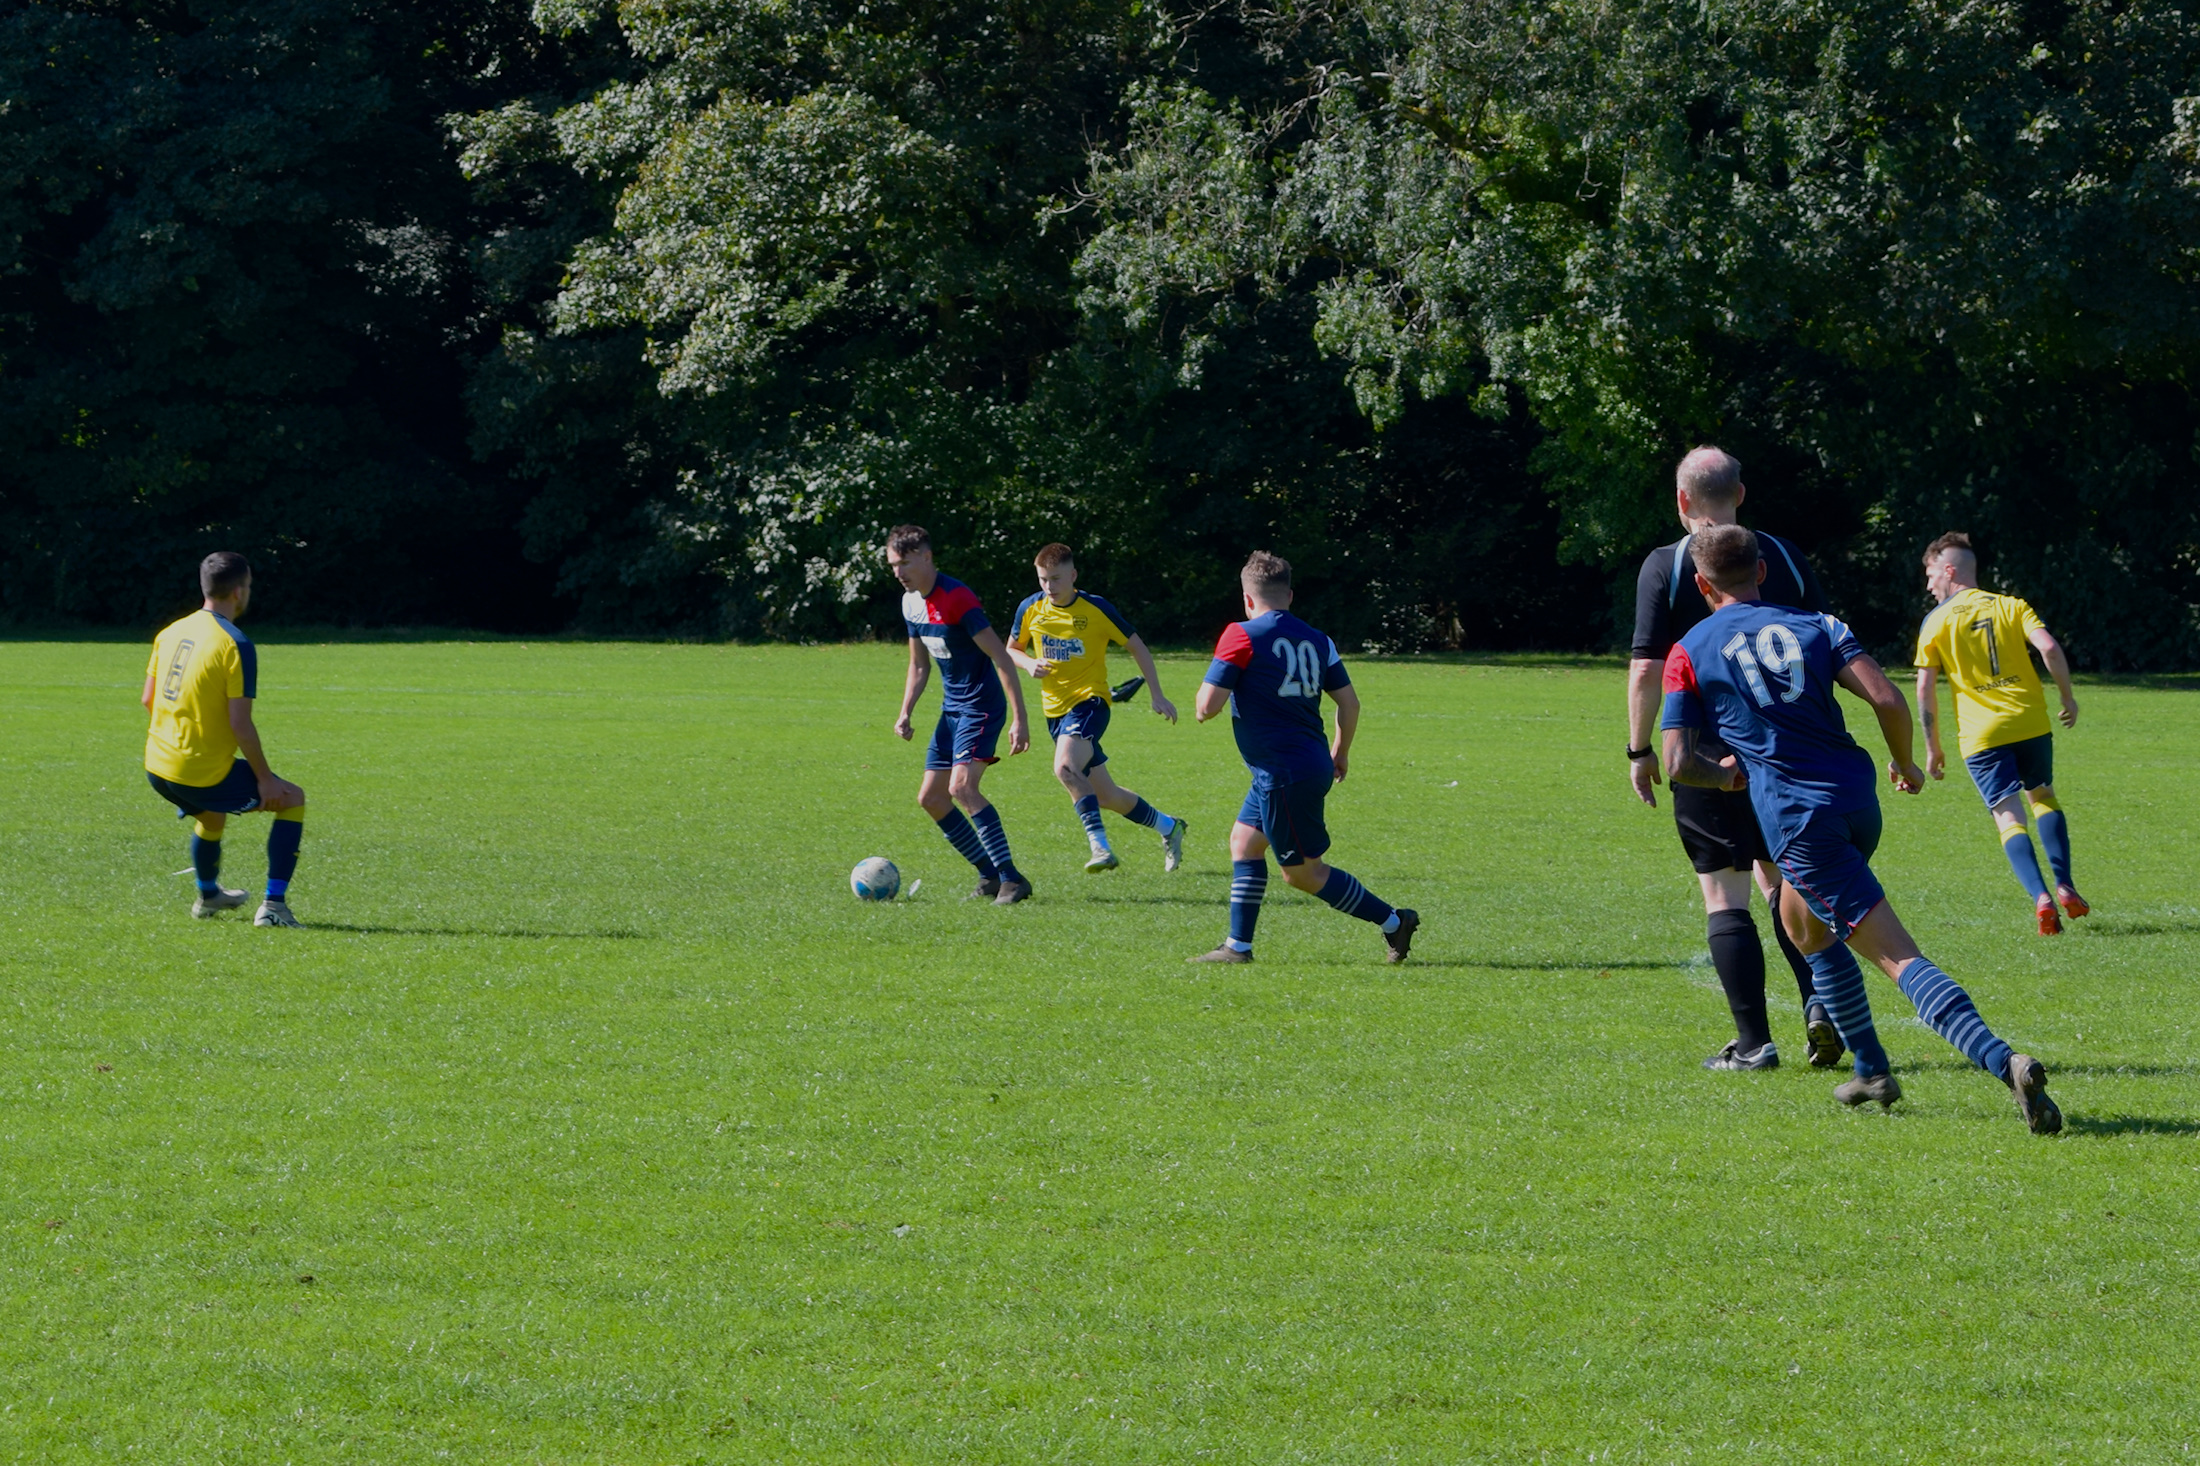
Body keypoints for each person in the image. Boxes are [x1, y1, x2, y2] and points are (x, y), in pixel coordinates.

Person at [1660, 524, 2063, 1133]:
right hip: (1856, 801)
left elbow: (1676, 763)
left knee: (1897, 957)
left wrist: (1725, 779)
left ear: (1700, 584)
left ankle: (2004, 1061)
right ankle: (1871, 1069)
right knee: (1805, 930)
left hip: (1799, 821)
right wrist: (1904, 762)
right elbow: (1889, 701)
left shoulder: (1688, 649)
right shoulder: (1822, 625)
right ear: (1763, 570)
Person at [1626, 446, 1838, 1073]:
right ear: (1740, 494)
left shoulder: (1667, 565)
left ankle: (1753, 1044)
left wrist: (1640, 751)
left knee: (1724, 894)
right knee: (1787, 884)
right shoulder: (1781, 555)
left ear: (1682, 500)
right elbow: (1826, 639)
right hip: (1787, 752)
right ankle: (1820, 1006)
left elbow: (1646, 666)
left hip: (1706, 755)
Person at [1189, 552, 1418, 964]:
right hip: (1300, 763)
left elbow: (1207, 707)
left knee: (1302, 874)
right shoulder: (1318, 639)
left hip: (1284, 772)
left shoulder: (1240, 634)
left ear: (1247, 599)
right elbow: (1350, 703)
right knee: (1244, 842)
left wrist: (1210, 691)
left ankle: (1393, 921)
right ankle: (1237, 948)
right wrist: (1339, 752)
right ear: (1290, 595)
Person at [1914, 532, 2087, 935]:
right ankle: (2065, 884)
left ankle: (2041, 898)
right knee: (2042, 794)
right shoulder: (2012, 605)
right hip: (2030, 720)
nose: (1928, 585)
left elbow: (1924, 688)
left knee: (2008, 814)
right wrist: (2068, 697)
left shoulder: (1935, 621)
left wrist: (1932, 747)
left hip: (1981, 735)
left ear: (1948, 570)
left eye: (1929, 574)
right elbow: (2049, 649)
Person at [141, 552, 307, 927]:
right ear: (238, 592)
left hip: (157, 766)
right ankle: (274, 908)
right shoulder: (235, 643)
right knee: (292, 798)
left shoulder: (170, 632)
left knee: (212, 817)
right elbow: (240, 724)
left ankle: (209, 895)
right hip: (198, 771)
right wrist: (266, 781)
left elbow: (148, 699)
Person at [1006, 544, 1187, 873]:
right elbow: (1011, 649)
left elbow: (1137, 645)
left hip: (1091, 702)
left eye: (1056, 579)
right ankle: (1169, 827)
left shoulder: (1095, 609)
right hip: (1055, 712)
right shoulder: (1030, 608)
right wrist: (1029, 662)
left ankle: (1100, 848)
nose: (1049, 587)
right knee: (1105, 795)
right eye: (1043, 580)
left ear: (1073, 575)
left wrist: (1157, 695)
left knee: (1064, 768)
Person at [887, 525, 1036, 904]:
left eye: (904, 563)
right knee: (932, 799)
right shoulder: (910, 602)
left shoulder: (957, 598)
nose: (898, 572)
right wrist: (905, 711)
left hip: (981, 706)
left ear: (926, 556)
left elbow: (1001, 657)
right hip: (951, 709)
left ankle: (1012, 879)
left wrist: (1020, 718)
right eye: (892, 565)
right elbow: (918, 665)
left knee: (962, 788)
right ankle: (988, 875)